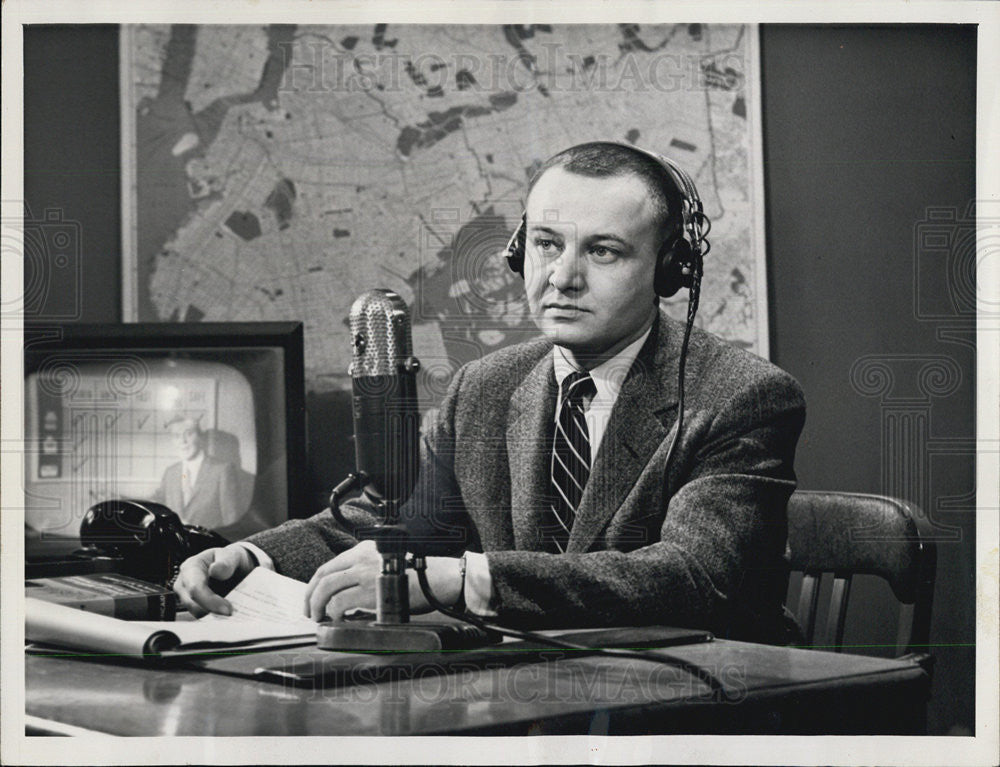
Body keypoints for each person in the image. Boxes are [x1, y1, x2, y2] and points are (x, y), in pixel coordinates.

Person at [175, 142, 806, 644]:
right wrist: (250, 557)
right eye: (546, 245)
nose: (563, 277)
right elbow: (392, 521)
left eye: (604, 251)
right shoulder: (486, 386)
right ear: (517, 249)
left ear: (669, 270)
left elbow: (693, 578)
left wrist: (464, 578)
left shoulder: (741, 397)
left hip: (697, 711)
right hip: (531, 697)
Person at [153, 415, 244, 532]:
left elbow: (231, 519)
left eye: (189, 434)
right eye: (176, 436)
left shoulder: (222, 470)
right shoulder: (170, 472)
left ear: (200, 437)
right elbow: (158, 504)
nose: (182, 441)